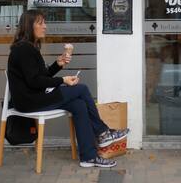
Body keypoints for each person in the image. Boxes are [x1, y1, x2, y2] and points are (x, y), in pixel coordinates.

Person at [7, 9, 129, 168]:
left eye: (44, 22)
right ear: (29, 26)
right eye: (40, 23)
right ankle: (103, 133)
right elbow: (34, 82)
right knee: (81, 89)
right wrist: (63, 80)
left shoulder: (30, 48)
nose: (45, 26)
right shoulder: (23, 49)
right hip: (29, 101)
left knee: (78, 105)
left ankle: (88, 157)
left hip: (36, 96)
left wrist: (58, 65)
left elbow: (42, 76)